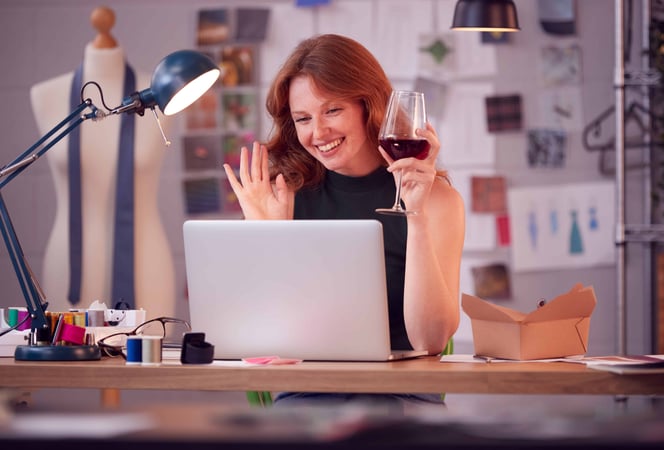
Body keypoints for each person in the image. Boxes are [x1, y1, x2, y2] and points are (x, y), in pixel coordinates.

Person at [223, 34, 465, 407]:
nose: (318, 133)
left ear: (368, 106)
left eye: (332, 110)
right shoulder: (283, 196)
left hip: (399, 396)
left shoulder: (438, 200)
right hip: (307, 394)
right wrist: (267, 235)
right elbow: (255, 342)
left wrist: (415, 215)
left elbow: (430, 341)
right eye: (303, 118)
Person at [30, 7, 176, 320]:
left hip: (146, 266)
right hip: (66, 267)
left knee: (149, 364)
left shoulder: (161, 96)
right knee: (64, 361)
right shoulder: (46, 96)